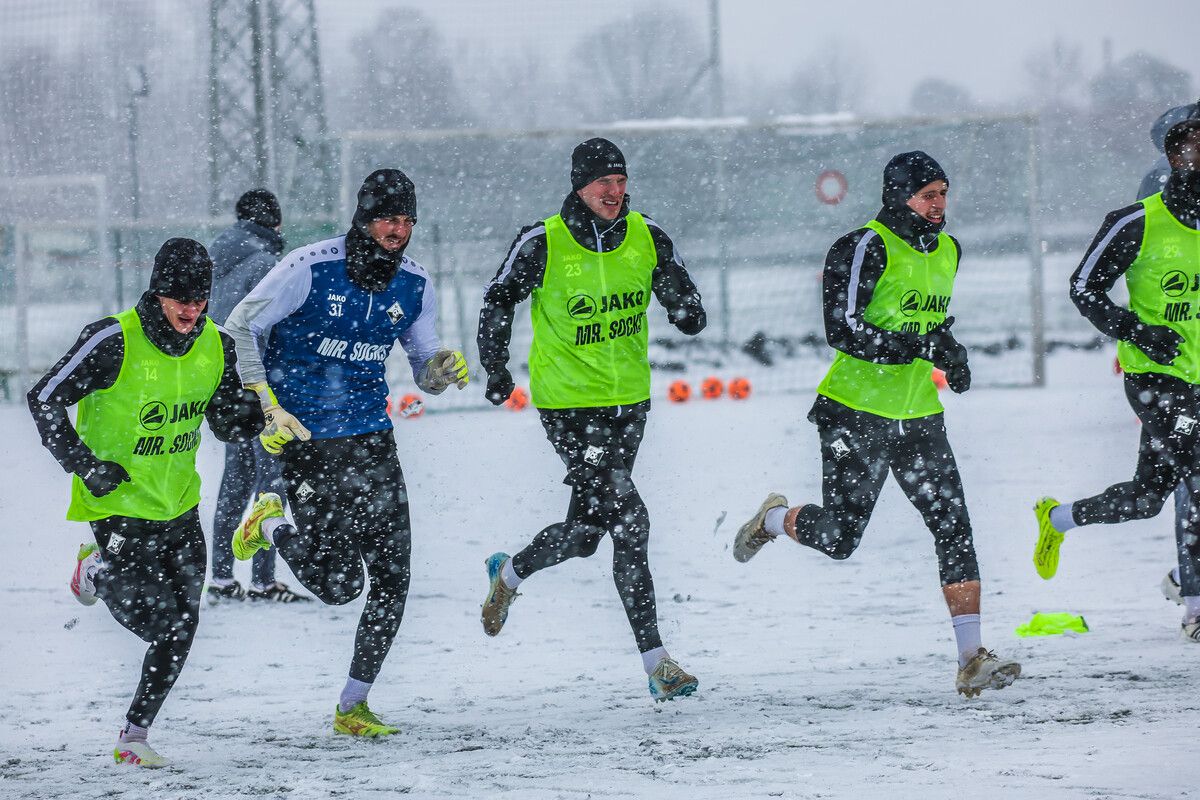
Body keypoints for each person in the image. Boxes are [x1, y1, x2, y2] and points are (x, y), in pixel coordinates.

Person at [732, 151, 1021, 698]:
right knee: (841, 539)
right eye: (927, 195)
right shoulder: (862, 245)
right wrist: (917, 345)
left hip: (919, 416)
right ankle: (773, 519)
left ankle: (971, 657)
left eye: (944, 194)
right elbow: (842, 329)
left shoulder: (949, 251)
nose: (939, 206)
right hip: (853, 412)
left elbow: (932, 327)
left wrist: (952, 355)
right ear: (897, 195)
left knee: (953, 526)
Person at [222, 168, 470, 736]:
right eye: (388, 217)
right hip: (307, 443)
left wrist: (439, 370)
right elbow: (240, 327)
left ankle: (352, 706)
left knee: (393, 575)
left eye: (408, 220)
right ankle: (271, 525)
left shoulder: (414, 282)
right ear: (363, 217)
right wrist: (265, 401)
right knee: (338, 587)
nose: (398, 230)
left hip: (372, 439)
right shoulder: (310, 266)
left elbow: (423, 365)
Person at [476, 137, 707, 702]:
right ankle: (658, 663)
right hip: (571, 409)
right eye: (603, 181)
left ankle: (508, 573)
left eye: (622, 180)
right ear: (579, 184)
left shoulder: (647, 235)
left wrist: (686, 306)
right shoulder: (543, 241)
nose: (615, 191)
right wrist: (496, 368)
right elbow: (497, 299)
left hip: (630, 404)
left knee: (584, 536)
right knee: (631, 520)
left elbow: (678, 287)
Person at [27, 238, 263, 767]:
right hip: (118, 504)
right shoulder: (112, 339)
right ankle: (97, 572)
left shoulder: (218, 344)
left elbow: (224, 421)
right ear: (157, 292)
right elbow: (42, 397)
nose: (191, 309)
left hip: (179, 504)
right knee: (160, 624)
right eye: (179, 297)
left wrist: (253, 415)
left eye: (200, 298)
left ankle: (134, 735)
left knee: (185, 623)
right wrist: (86, 464)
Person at [1035, 116, 1200, 642]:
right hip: (1158, 378)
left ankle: (1057, 519)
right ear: (1179, 160)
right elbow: (1083, 286)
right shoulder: (1136, 222)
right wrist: (1138, 332)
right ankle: (1194, 605)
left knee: (1147, 497)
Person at [206, 188, 308, 603]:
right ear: (276, 224)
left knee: (235, 482)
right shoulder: (268, 264)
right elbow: (272, 328)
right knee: (271, 483)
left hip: (226, 387)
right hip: (263, 384)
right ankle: (264, 580)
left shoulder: (215, 261)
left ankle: (221, 578)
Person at [1135, 103, 1200, 614]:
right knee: (1188, 478)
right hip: (1176, 361)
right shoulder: (1160, 186)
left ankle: (1186, 579)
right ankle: (1192, 593)